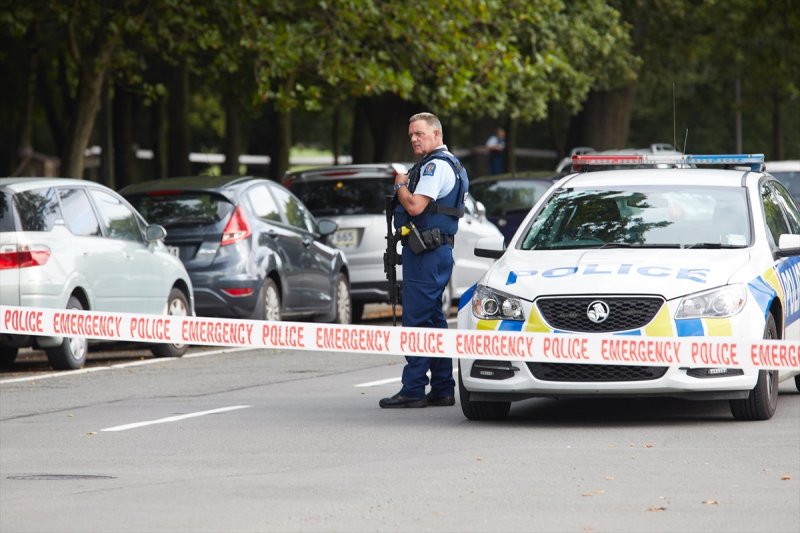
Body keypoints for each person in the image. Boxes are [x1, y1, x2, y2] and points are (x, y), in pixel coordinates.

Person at [379, 112, 469, 409]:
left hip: (426, 253)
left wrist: (400, 186)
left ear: (436, 135)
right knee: (433, 320)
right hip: (433, 251)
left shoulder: (434, 166)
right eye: (411, 135)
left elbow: (416, 207)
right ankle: (442, 387)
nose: (415, 139)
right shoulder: (448, 164)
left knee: (416, 321)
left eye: (420, 133)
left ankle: (413, 388)